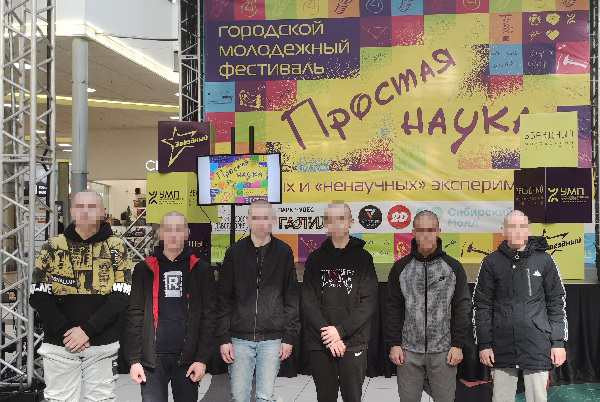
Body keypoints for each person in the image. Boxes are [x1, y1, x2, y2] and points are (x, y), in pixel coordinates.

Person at [29, 190, 132, 402]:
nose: (86, 212)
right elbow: (38, 295)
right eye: (80, 207)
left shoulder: (117, 248)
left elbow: (121, 297)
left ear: (103, 212)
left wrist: (87, 330)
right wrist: (66, 331)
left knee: (101, 399)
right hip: (59, 345)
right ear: (72, 212)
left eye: (92, 207)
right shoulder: (52, 247)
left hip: (102, 345)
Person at [473, 210, 568, 402]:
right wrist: (484, 344)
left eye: (521, 227)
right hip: (501, 346)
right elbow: (482, 306)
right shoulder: (490, 262)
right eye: (512, 227)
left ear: (528, 230)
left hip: (537, 344)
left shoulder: (544, 260)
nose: (516, 231)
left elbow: (556, 303)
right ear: (503, 231)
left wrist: (558, 342)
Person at [125, 212, 216, 402]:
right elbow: (135, 315)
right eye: (168, 229)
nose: (173, 234)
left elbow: (208, 316)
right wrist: (134, 360)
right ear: (160, 233)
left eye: (178, 229)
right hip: (152, 360)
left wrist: (202, 359)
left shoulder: (201, 269)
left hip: (187, 359)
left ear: (187, 233)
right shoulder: (144, 269)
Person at [216, 199, 300, 402]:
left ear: (272, 220)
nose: (261, 222)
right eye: (256, 217)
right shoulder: (234, 252)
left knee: (265, 397)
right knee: (239, 397)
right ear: (248, 220)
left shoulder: (284, 252)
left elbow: (291, 297)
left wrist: (289, 336)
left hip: (272, 339)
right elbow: (223, 298)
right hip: (239, 339)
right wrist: (224, 337)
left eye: (265, 217)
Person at [386, 210, 471, 402]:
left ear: (438, 231)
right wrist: (394, 344)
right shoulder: (400, 268)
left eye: (430, 230)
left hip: (443, 352)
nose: (426, 235)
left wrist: (457, 344)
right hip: (408, 352)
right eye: (421, 230)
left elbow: (462, 307)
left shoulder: (453, 268)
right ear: (413, 232)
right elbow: (393, 308)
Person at [302, 202, 378, 402]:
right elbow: (309, 301)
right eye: (331, 219)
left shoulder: (364, 258)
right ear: (325, 223)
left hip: (353, 342)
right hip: (321, 342)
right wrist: (330, 335)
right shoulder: (314, 259)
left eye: (341, 218)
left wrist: (341, 331)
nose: (336, 223)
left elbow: (368, 302)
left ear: (351, 221)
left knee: (352, 398)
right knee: (325, 397)